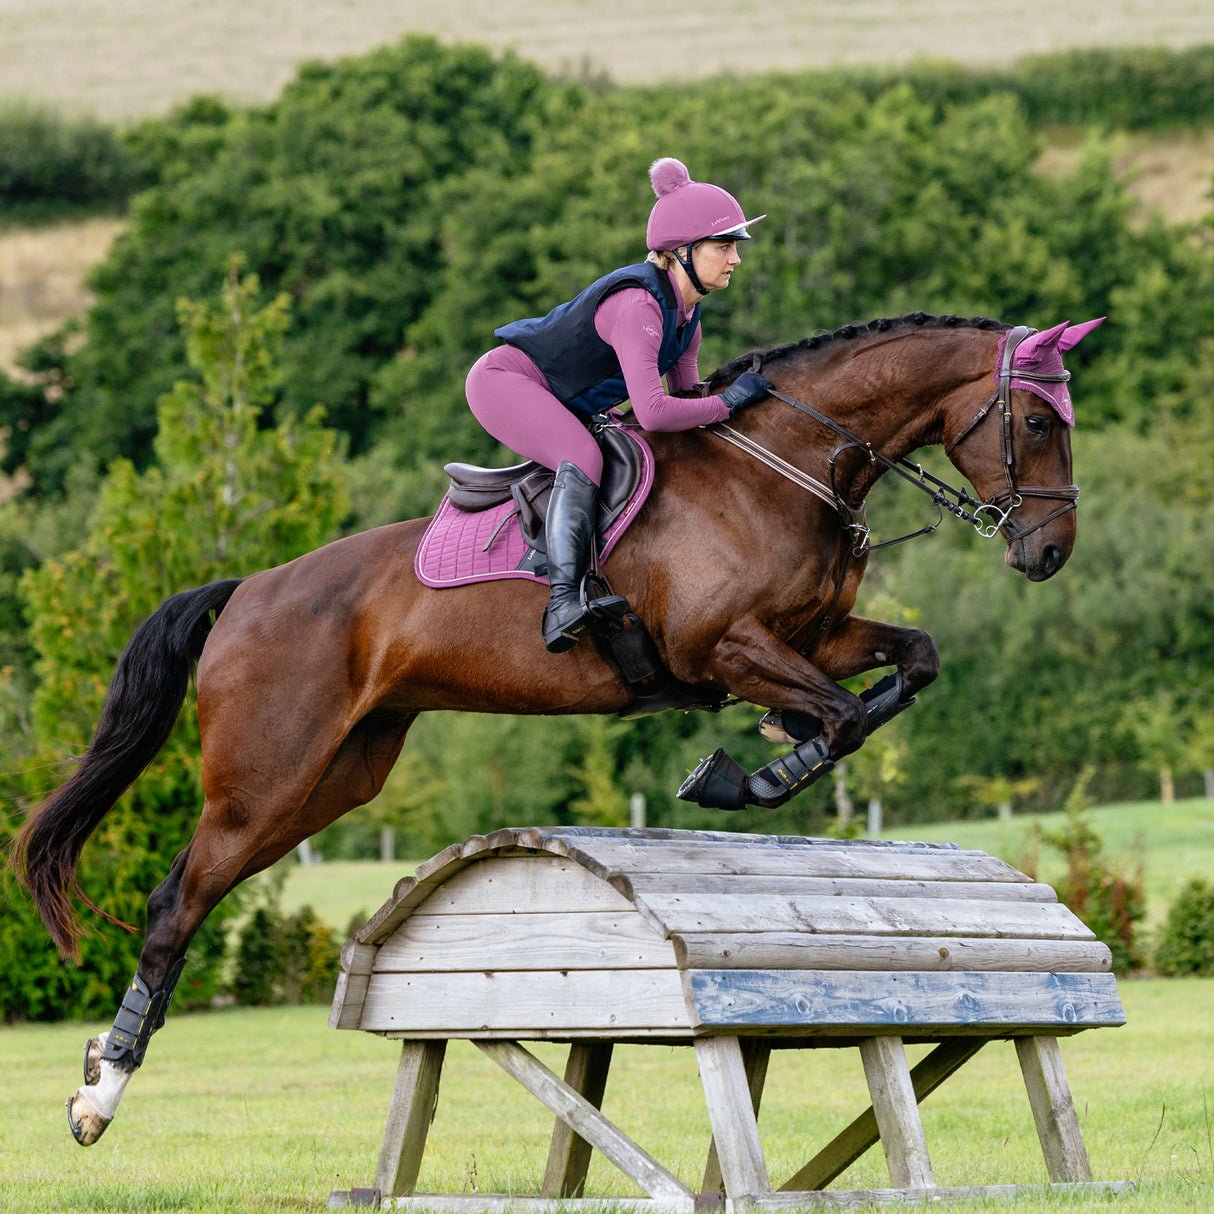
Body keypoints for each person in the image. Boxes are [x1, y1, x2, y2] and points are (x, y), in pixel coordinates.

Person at [464, 157, 771, 653]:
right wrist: (728, 402)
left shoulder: (687, 317)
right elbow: (653, 411)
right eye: (724, 246)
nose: (735, 258)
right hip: (504, 381)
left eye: (734, 247)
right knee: (582, 456)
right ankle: (563, 603)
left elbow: (685, 401)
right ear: (682, 252)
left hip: (558, 395)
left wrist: (727, 412)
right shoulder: (640, 307)